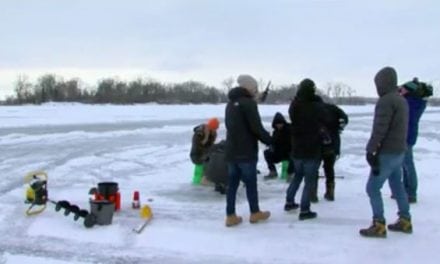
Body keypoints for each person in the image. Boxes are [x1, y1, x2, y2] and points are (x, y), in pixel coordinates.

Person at [360, 66, 412, 238]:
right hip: (399, 152)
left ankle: (378, 224)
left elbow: (380, 129)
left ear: (383, 83)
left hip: (388, 153)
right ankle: (405, 220)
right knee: (397, 186)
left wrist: (371, 150)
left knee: (372, 188)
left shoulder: (386, 101)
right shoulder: (401, 99)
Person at [224, 74, 272, 227]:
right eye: (254, 88)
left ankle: (230, 216)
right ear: (249, 88)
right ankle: (255, 213)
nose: (256, 91)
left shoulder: (230, 104)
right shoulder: (249, 104)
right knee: (251, 183)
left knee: (232, 185)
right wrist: (270, 141)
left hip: (231, 151)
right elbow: (256, 128)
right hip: (246, 152)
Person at [284, 78, 328, 220]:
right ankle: (304, 209)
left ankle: (289, 202)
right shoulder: (316, 106)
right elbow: (324, 115)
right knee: (309, 180)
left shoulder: (294, 105)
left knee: (297, 176)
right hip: (312, 149)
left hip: (297, 148)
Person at [397, 78, 428, 203]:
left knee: (408, 164)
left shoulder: (410, 103)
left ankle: (411, 192)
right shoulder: (414, 102)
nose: (401, 90)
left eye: (403, 89)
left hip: (406, 136)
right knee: (404, 164)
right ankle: (406, 190)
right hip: (407, 135)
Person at [311, 102, 348, 201]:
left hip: (316, 144)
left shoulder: (313, 110)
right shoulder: (333, 108)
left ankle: (313, 194)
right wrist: (339, 128)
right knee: (329, 168)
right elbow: (345, 119)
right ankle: (330, 192)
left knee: (314, 168)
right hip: (332, 143)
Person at [263, 112, 294, 180]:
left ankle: (290, 173)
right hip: (279, 153)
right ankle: (273, 172)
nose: (279, 125)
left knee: (292, 156)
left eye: (280, 123)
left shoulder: (289, 129)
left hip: (288, 153)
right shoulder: (275, 132)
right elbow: (273, 142)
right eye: (277, 124)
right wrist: (271, 145)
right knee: (267, 152)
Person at [189, 117, 219, 185]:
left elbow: (211, 145)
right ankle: (196, 186)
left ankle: (202, 182)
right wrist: (205, 137)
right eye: (213, 129)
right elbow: (197, 146)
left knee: (204, 171)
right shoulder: (199, 133)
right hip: (197, 155)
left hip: (205, 155)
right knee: (198, 172)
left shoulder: (212, 133)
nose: (214, 130)